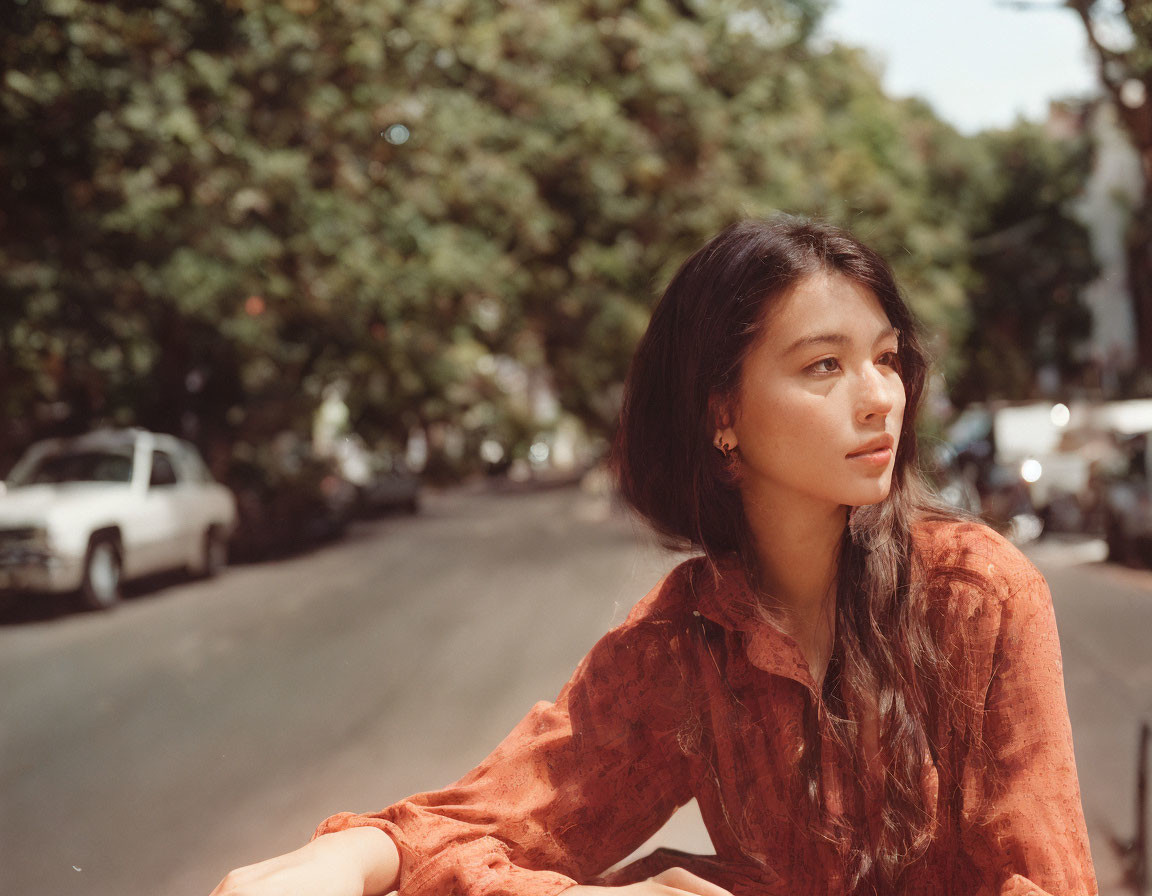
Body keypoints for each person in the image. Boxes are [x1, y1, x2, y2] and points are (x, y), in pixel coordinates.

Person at [211, 217, 1097, 896]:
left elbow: (1044, 877)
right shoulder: (688, 643)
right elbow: (494, 819)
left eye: (886, 359)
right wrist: (337, 860)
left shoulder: (977, 594)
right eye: (823, 366)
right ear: (722, 413)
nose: (879, 400)